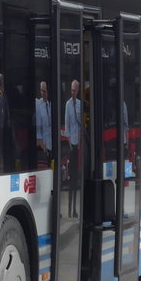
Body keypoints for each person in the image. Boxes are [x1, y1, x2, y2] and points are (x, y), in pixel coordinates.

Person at [63, 79, 83, 215]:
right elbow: (67, 125)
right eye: (71, 90)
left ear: (78, 90)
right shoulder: (68, 105)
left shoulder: (80, 105)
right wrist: (70, 143)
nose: (73, 92)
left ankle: (75, 209)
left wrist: (80, 142)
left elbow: (81, 125)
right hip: (71, 146)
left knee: (76, 179)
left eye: (75, 90)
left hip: (78, 145)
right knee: (71, 178)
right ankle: (70, 209)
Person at [35, 80, 52, 168]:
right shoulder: (37, 104)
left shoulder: (51, 105)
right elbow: (37, 125)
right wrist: (41, 142)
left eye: (44, 91)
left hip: (51, 145)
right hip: (42, 146)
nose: (43, 93)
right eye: (41, 91)